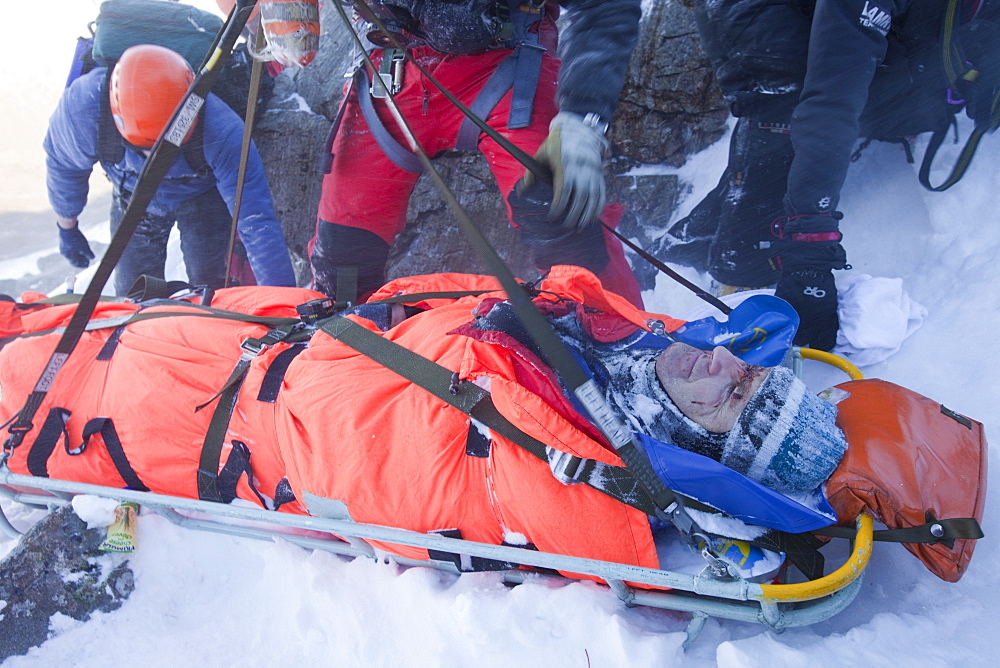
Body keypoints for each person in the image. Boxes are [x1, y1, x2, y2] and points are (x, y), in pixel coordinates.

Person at [0, 265, 980, 582]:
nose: (719, 361)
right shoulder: (619, 343)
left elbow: (398, 450)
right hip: (258, 337)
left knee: (51, 371)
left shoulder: (578, 461)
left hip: (208, 412)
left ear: (702, 446)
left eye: (731, 398)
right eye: (743, 367)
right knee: (90, 317)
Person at [656, 0, 999, 351]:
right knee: (783, 121)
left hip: (855, 25)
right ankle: (720, 272)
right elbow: (832, 102)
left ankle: (690, 242)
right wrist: (810, 244)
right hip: (760, 18)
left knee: (902, 99)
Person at [309, 0, 646, 307]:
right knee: (342, 263)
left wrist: (579, 120)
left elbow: (605, 5)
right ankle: (342, 357)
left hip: (507, 62)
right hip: (391, 72)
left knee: (564, 220)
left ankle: (628, 343)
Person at [44, 44, 297, 296]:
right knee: (134, 294)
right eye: (142, 149)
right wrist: (67, 225)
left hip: (202, 196)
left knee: (214, 287)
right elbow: (64, 168)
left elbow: (255, 220)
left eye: (163, 149)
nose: (154, 160)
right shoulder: (83, 109)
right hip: (134, 196)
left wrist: (284, 300)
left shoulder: (223, 131)